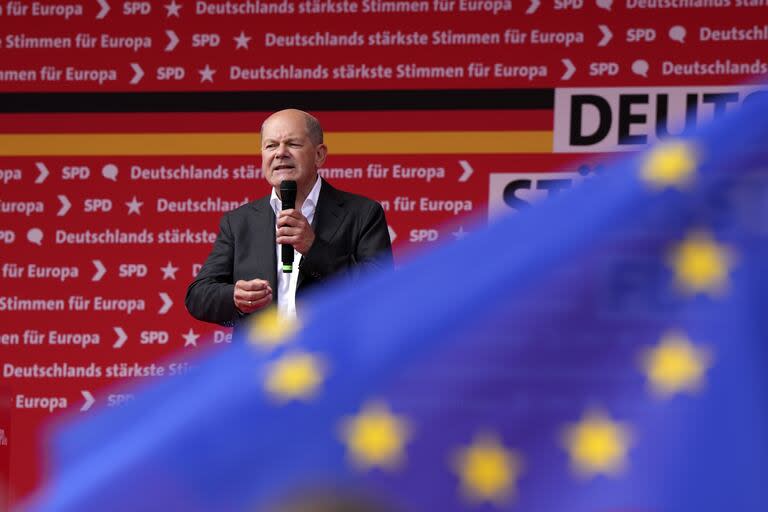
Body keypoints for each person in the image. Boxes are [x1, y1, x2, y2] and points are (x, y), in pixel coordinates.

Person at [186, 109, 393, 328]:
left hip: (331, 356)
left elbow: (381, 290)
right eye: (271, 145)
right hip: (263, 357)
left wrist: (314, 248)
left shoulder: (363, 213)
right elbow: (198, 296)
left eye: (293, 144)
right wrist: (234, 297)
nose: (280, 153)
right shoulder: (239, 222)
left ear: (319, 154)